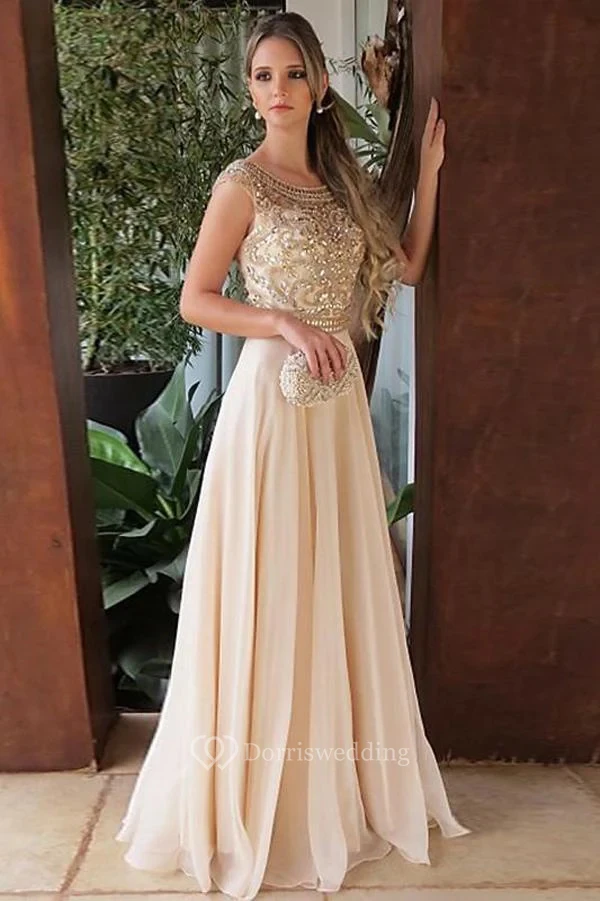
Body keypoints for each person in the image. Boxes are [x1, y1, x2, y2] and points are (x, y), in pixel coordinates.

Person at [115, 11, 471, 900]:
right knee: (270, 579)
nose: (278, 90)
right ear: (251, 92)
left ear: (318, 86)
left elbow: (408, 266)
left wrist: (426, 176)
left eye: (293, 74)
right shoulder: (240, 184)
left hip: (336, 411)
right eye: (263, 76)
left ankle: (332, 784)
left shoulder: (345, 182)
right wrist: (278, 320)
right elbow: (198, 298)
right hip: (269, 410)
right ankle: (255, 793)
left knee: (334, 580)